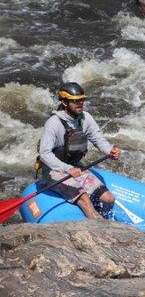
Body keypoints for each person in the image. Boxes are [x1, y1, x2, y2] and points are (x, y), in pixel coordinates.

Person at [38, 82, 121, 219]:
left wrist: (110, 151)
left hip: (76, 167)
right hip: (54, 171)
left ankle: (104, 219)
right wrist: (67, 169)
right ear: (64, 102)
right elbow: (44, 154)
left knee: (109, 199)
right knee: (83, 198)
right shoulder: (53, 124)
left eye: (81, 100)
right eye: (75, 101)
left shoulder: (85, 118)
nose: (80, 104)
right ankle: (96, 225)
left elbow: (98, 138)